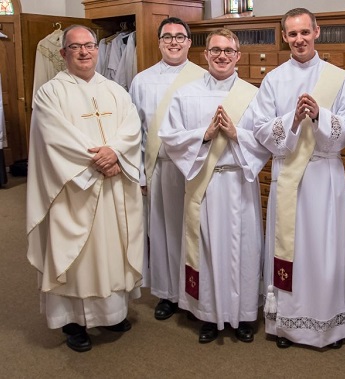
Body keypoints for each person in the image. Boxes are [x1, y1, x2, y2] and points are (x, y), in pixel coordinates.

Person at [26, 25, 143, 353]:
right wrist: (101, 160)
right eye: (75, 47)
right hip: (74, 189)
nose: (84, 52)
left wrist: (116, 152)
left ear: (97, 50)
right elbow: (55, 137)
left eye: (89, 46)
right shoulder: (50, 93)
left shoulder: (116, 91)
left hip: (111, 186)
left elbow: (131, 128)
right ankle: (74, 321)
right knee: (77, 254)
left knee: (111, 249)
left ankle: (112, 313)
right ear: (63, 53)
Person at [248, 7, 345, 349]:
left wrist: (320, 115)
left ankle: (329, 324)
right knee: (290, 247)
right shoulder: (274, 79)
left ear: (317, 32)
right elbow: (260, 128)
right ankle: (287, 324)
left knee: (326, 251)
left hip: (325, 175)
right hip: (289, 175)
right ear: (285, 37)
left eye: (304, 32)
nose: (299, 39)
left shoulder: (339, 78)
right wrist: (293, 119)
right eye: (292, 34)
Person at [159, 28, 268, 344]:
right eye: (216, 50)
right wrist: (204, 135)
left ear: (238, 57)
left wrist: (236, 134)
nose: (222, 56)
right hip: (203, 184)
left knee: (244, 249)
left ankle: (245, 315)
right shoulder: (185, 94)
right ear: (205, 55)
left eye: (229, 51)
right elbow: (169, 137)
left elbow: (264, 142)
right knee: (205, 248)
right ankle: (208, 315)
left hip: (239, 180)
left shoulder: (253, 95)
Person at [129, 17, 206, 321]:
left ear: (189, 42)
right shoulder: (141, 81)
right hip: (158, 167)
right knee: (161, 231)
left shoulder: (204, 77)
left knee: (194, 231)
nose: (174, 42)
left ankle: (196, 290)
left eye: (180, 37)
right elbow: (134, 131)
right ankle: (167, 293)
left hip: (195, 168)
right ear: (159, 42)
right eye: (167, 37)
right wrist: (138, 173)